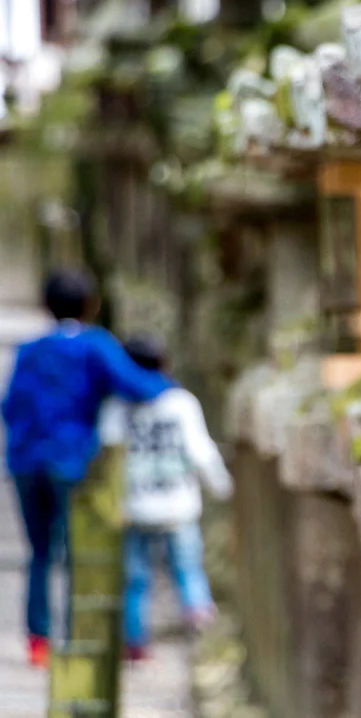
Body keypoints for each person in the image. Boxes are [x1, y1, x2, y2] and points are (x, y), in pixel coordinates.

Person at [2, 268, 171, 668]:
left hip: (26, 462)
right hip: (71, 461)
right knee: (78, 551)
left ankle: (38, 641)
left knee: (40, 552)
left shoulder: (30, 350)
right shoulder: (95, 346)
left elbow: (10, 406)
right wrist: (171, 390)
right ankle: (78, 634)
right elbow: (136, 384)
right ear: (89, 304)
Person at [98, 334, 232, 663]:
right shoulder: (181, 402)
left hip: (135, 506)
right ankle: (200, 625)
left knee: (136, 580)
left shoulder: (116, 405)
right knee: (188, 569)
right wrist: (223, 486)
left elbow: (106, 448)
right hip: (178, 504)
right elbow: (201, 452)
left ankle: (136, 642)